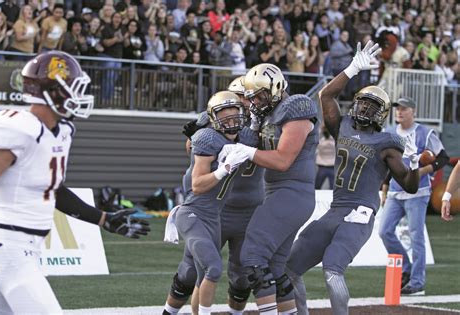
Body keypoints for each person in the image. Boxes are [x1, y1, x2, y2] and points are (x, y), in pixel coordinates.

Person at [0, 51, 150, 314]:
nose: (78, 94)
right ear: (54, 91)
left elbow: (54, 191)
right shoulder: (19, 128)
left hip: (26, 248)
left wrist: (103, 218)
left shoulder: (61, 132)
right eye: (73, 87)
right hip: (8, 249)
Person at [285, 40, 420, 315]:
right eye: (363, 103)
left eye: (372, 107)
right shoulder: (343, 126)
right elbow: (325, 96)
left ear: (380, 114)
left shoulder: (387, 142)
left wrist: (415, 164)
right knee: (289, 268)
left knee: (333, 270)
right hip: (335, 210)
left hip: (360, 214)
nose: (365, 109)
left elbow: (409, 184)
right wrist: (352, 68)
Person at [219, 63, 319, 315]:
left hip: (292, 192)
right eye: (251, 97)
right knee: (275, 268)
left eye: (259, 95)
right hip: (278, 192)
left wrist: (249, 152)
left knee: (251, 256)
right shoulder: (266, 113)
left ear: (275, 88)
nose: (255, 102)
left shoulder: (296, 105)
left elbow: (283, 160)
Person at [165, 76, 264, 315]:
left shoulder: (259, 125)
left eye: (244, 99)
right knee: (195, 270)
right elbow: (195, 160)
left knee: (239, 276)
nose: (236, 107)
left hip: (243, 209)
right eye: (233, 99)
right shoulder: (208, 128)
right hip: (208, 207)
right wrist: (222, 167)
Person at [379, 96, 449, 296]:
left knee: (416, 236)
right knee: (384, 231)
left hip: (419, 192)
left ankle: (417, 282)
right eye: (397, 108)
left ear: (413, 112)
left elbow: (442, 158)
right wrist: (384, 188)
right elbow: (387, 164)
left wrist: (423, 170)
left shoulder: (425, 133)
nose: (399, 112)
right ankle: (407, 268)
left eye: (404, 108)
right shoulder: (389, 133)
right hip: (394, 190)